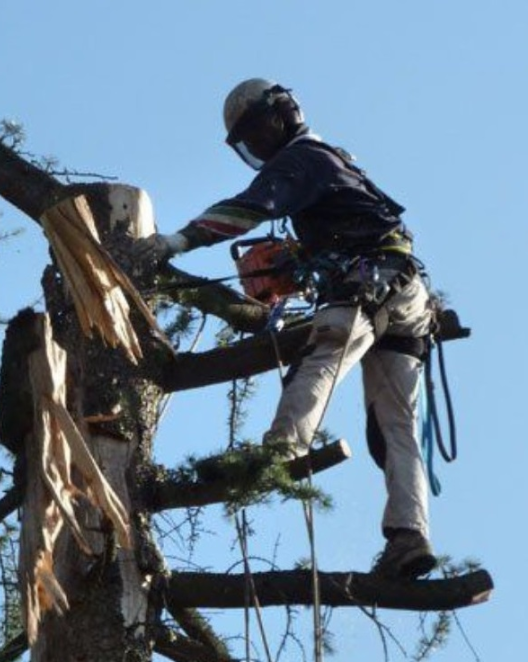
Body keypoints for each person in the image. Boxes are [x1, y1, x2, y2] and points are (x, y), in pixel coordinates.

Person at [138, 78, 438, 579]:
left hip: (372, 279)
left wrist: (177, 242)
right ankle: (409, 536)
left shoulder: (305, 160)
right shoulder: (333, 162)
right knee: (396, 428)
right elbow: (345, 226)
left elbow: (248, 208)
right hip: (405, 293)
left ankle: (281, 450)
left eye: (258, 134)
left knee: (324, 351)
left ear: (281, 115)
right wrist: (299, 263)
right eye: (249, 143)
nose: (257, 147)